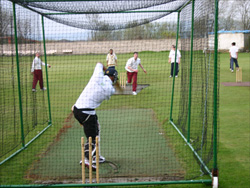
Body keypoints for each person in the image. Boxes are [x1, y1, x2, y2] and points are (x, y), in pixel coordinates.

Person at [72, 62, 118, 169]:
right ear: (112, 77)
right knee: (92, 137)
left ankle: (96, 156)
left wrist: (106, 70)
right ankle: (86, 159)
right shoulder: (110, 90)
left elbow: (99, 64)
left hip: (76, 109)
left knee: (97, 128)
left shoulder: (97, 75)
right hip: (87, 113)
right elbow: (110, 91)